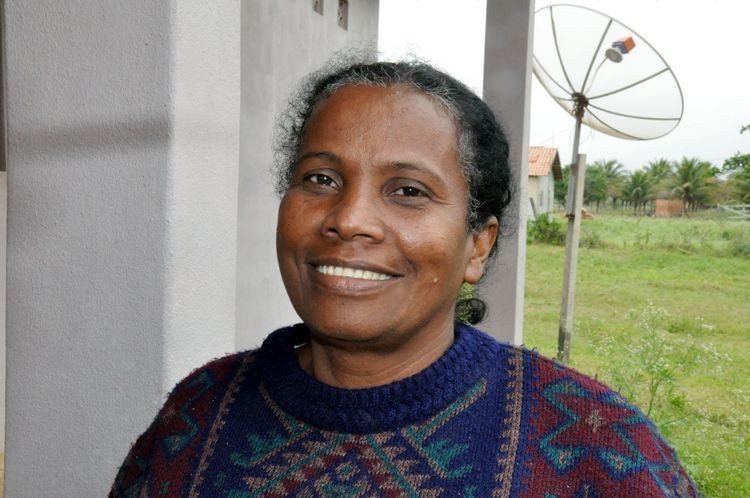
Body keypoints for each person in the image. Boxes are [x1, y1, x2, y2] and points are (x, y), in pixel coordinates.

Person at [110, 60, 698, 497]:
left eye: (409, 191)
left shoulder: (597, 447)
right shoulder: (199, 410)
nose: (349, 219)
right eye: (319, 179)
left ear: (477, 246)